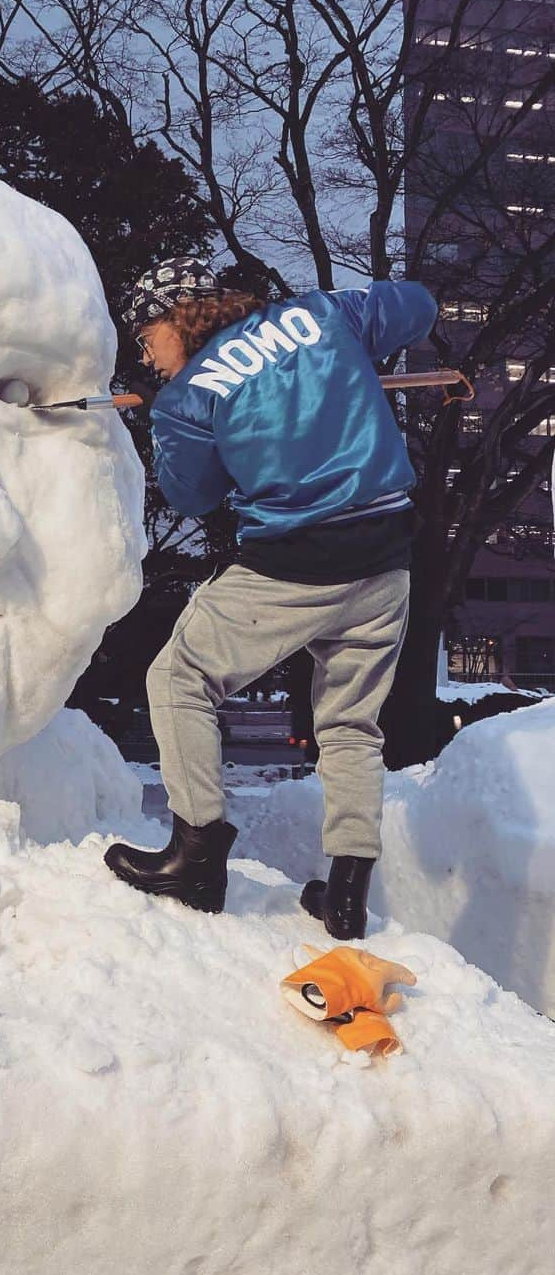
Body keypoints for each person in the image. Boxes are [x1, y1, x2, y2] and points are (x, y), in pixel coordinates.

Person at [103, 258, 437, 938]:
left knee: (179, 676)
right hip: (386, 556)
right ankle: (346, 892)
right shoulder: (322, 315)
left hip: (295, 563)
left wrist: (173, 416)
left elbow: (195, 496)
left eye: (144, 337)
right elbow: (420, 304)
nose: (145, 354)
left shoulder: (190, 398)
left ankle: (196, 855)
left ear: (173, 318)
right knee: (349, 724)